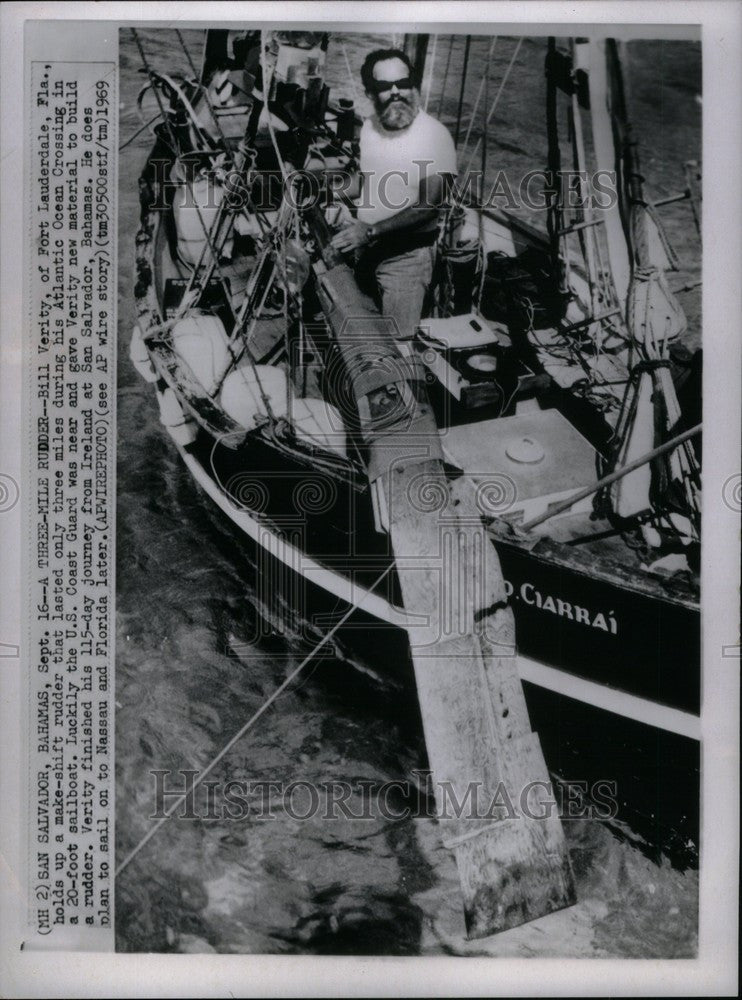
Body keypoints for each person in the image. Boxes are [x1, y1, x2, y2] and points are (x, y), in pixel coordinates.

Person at [329, 48, 457, 347]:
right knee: (366, 332)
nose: (397, 92)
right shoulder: (371, 128)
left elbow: (430, 205)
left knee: (398, 349)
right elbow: (368, 178)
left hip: (406, 261)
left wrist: (369, 231)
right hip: (367, 251)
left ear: (415, 85)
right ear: (371, 93)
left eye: (404, 83)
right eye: (385, 87)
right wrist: (328, 191)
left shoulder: (433, 136)